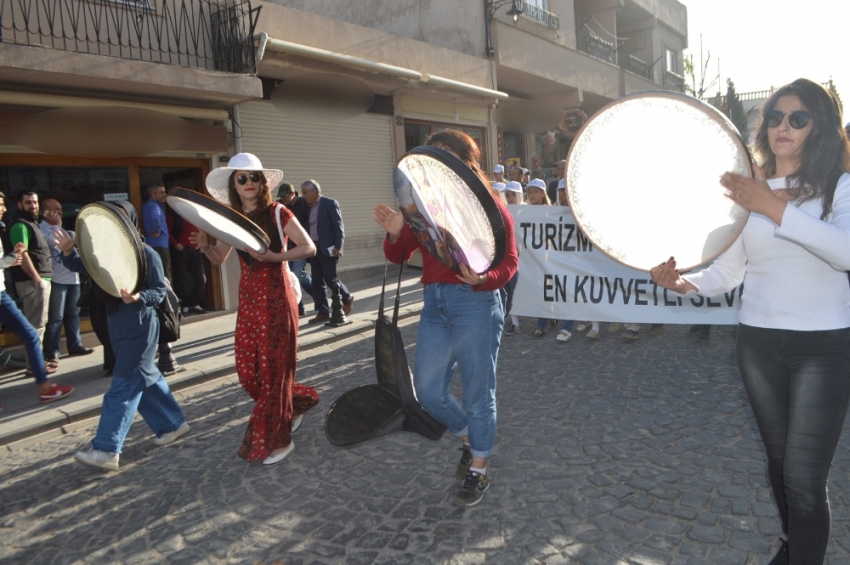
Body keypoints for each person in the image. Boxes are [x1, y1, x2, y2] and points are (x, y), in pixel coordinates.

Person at [651, 78, 850, 565]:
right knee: (781, 469)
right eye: (776, 117)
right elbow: (730, 270)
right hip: (758, 345)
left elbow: (845, 252)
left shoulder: (841, 186)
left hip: (825, 347)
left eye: (798, 118)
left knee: (804, 479)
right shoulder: (750, 190)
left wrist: (772, 207)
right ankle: (796, 544)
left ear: (819, 127)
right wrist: (683, 284)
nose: (784, 126)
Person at [374, 129, 518, 506]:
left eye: (441, 156)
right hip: (434, 303)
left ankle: (479, 469)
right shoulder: (422, 210)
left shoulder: (490, 209)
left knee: (477, 393)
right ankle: (470, 439)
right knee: (428, 391)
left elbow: (510, 263)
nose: (432, 167)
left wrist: (486, 278)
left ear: (464, 164)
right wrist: (394, 235)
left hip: (476, 302)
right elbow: (399, 254)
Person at [191, 153, 319, 466]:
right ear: (234, 184)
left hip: (276, 296)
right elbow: (219, 257)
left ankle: (280, 440)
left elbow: (308, 247)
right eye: (242, 178)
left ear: (263, 182)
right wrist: (206, 244)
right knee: (250, 373)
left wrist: (274, 258)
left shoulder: (278, 211)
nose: (249, 183)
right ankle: (294, 404)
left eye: (254, 177)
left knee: (275, 373)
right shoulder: (232, 218)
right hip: (248, 300)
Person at [56, 200, 187, 470]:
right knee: (147, 377)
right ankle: (173, 424)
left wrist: (140, 296)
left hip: (139, 326)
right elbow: (82, 266)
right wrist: (68, 254)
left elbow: (159, 292)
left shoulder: (148, 254)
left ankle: (106, 449)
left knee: (123, 386)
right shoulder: (105, 254)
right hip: (117, 325)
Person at [0, 191, 73, 405]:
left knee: (31, 334)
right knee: (34, 331)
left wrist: (11, 258)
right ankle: (44, 385)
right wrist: (16, 255)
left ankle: (45, 387)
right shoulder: (19, 225)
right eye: (0, 204)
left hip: (2, 292)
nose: (3, 208)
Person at [40, 198, 93, 362]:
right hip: (57, 279)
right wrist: (57, 225)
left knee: (73, 315)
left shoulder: (61, 228)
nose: (59, 212)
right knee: (56, 317)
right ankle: (52, 351)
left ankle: (75, 345)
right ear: (45, 212)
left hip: (73, 278)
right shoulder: (42, 229)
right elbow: (58, 246)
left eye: (60, 209)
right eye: (55, 210)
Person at [9, 191, 56, 376]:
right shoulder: (20, 225)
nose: (33, 206)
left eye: (35, 202)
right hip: (31, 282)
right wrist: (38, 280)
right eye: (28, 202)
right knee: (36, 327)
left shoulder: (31, 224)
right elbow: (22, 254)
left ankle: (37, 363)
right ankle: (34, 367)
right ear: (20, 205)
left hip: (38, 281)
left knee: (38, 325)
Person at [525, 179, 574, 342]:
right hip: (542, 258)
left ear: (543, 193)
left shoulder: (552, 211)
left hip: (562, 257)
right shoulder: (524, 212)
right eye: (530, 192)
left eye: (536, 191)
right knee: (544, 291)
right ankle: (542, 324)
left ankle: (567, 327)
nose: (532, 195)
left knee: (567, 291)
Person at [301, 179, 354, 324]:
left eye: (305, 193)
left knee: (330, 278)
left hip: (328, 248)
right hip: (314, 249)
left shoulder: (329, 203)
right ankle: (322, 311)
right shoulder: (308, 207)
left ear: (314, 191)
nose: (304, 196)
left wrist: (339, 246)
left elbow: (339, 226)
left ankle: (346, 297)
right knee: (317, 281)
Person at [277, 182, 315, 316]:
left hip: (301, 246)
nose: (284, 199)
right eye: (281, 197)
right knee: (290, 277)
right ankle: (299, 307)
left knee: (298, 273)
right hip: (286, 248)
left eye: (286, 196)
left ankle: (318, 296)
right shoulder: (279, 207)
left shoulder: (305, 204)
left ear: (293, 194)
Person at [167, 209, 207, 315]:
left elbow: (203, 230)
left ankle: (194, 304)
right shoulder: (175, 214)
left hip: (196, 251)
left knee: (201, 279)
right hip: (182, 250)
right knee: (180, 279)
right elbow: (168, 232)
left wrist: (202, 245)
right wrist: (177, 245)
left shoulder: (196, 214)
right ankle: (184, 305)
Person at [142, 182, 172, 282]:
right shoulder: (154, 206)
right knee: (165, 275)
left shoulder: (147, 206)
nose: (165, 195)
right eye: (162, 193)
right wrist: (157, 230)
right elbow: (155, 217)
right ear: (153, 194)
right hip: (159, 244)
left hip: (151, 243)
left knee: (155, 274)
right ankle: (167, 297)